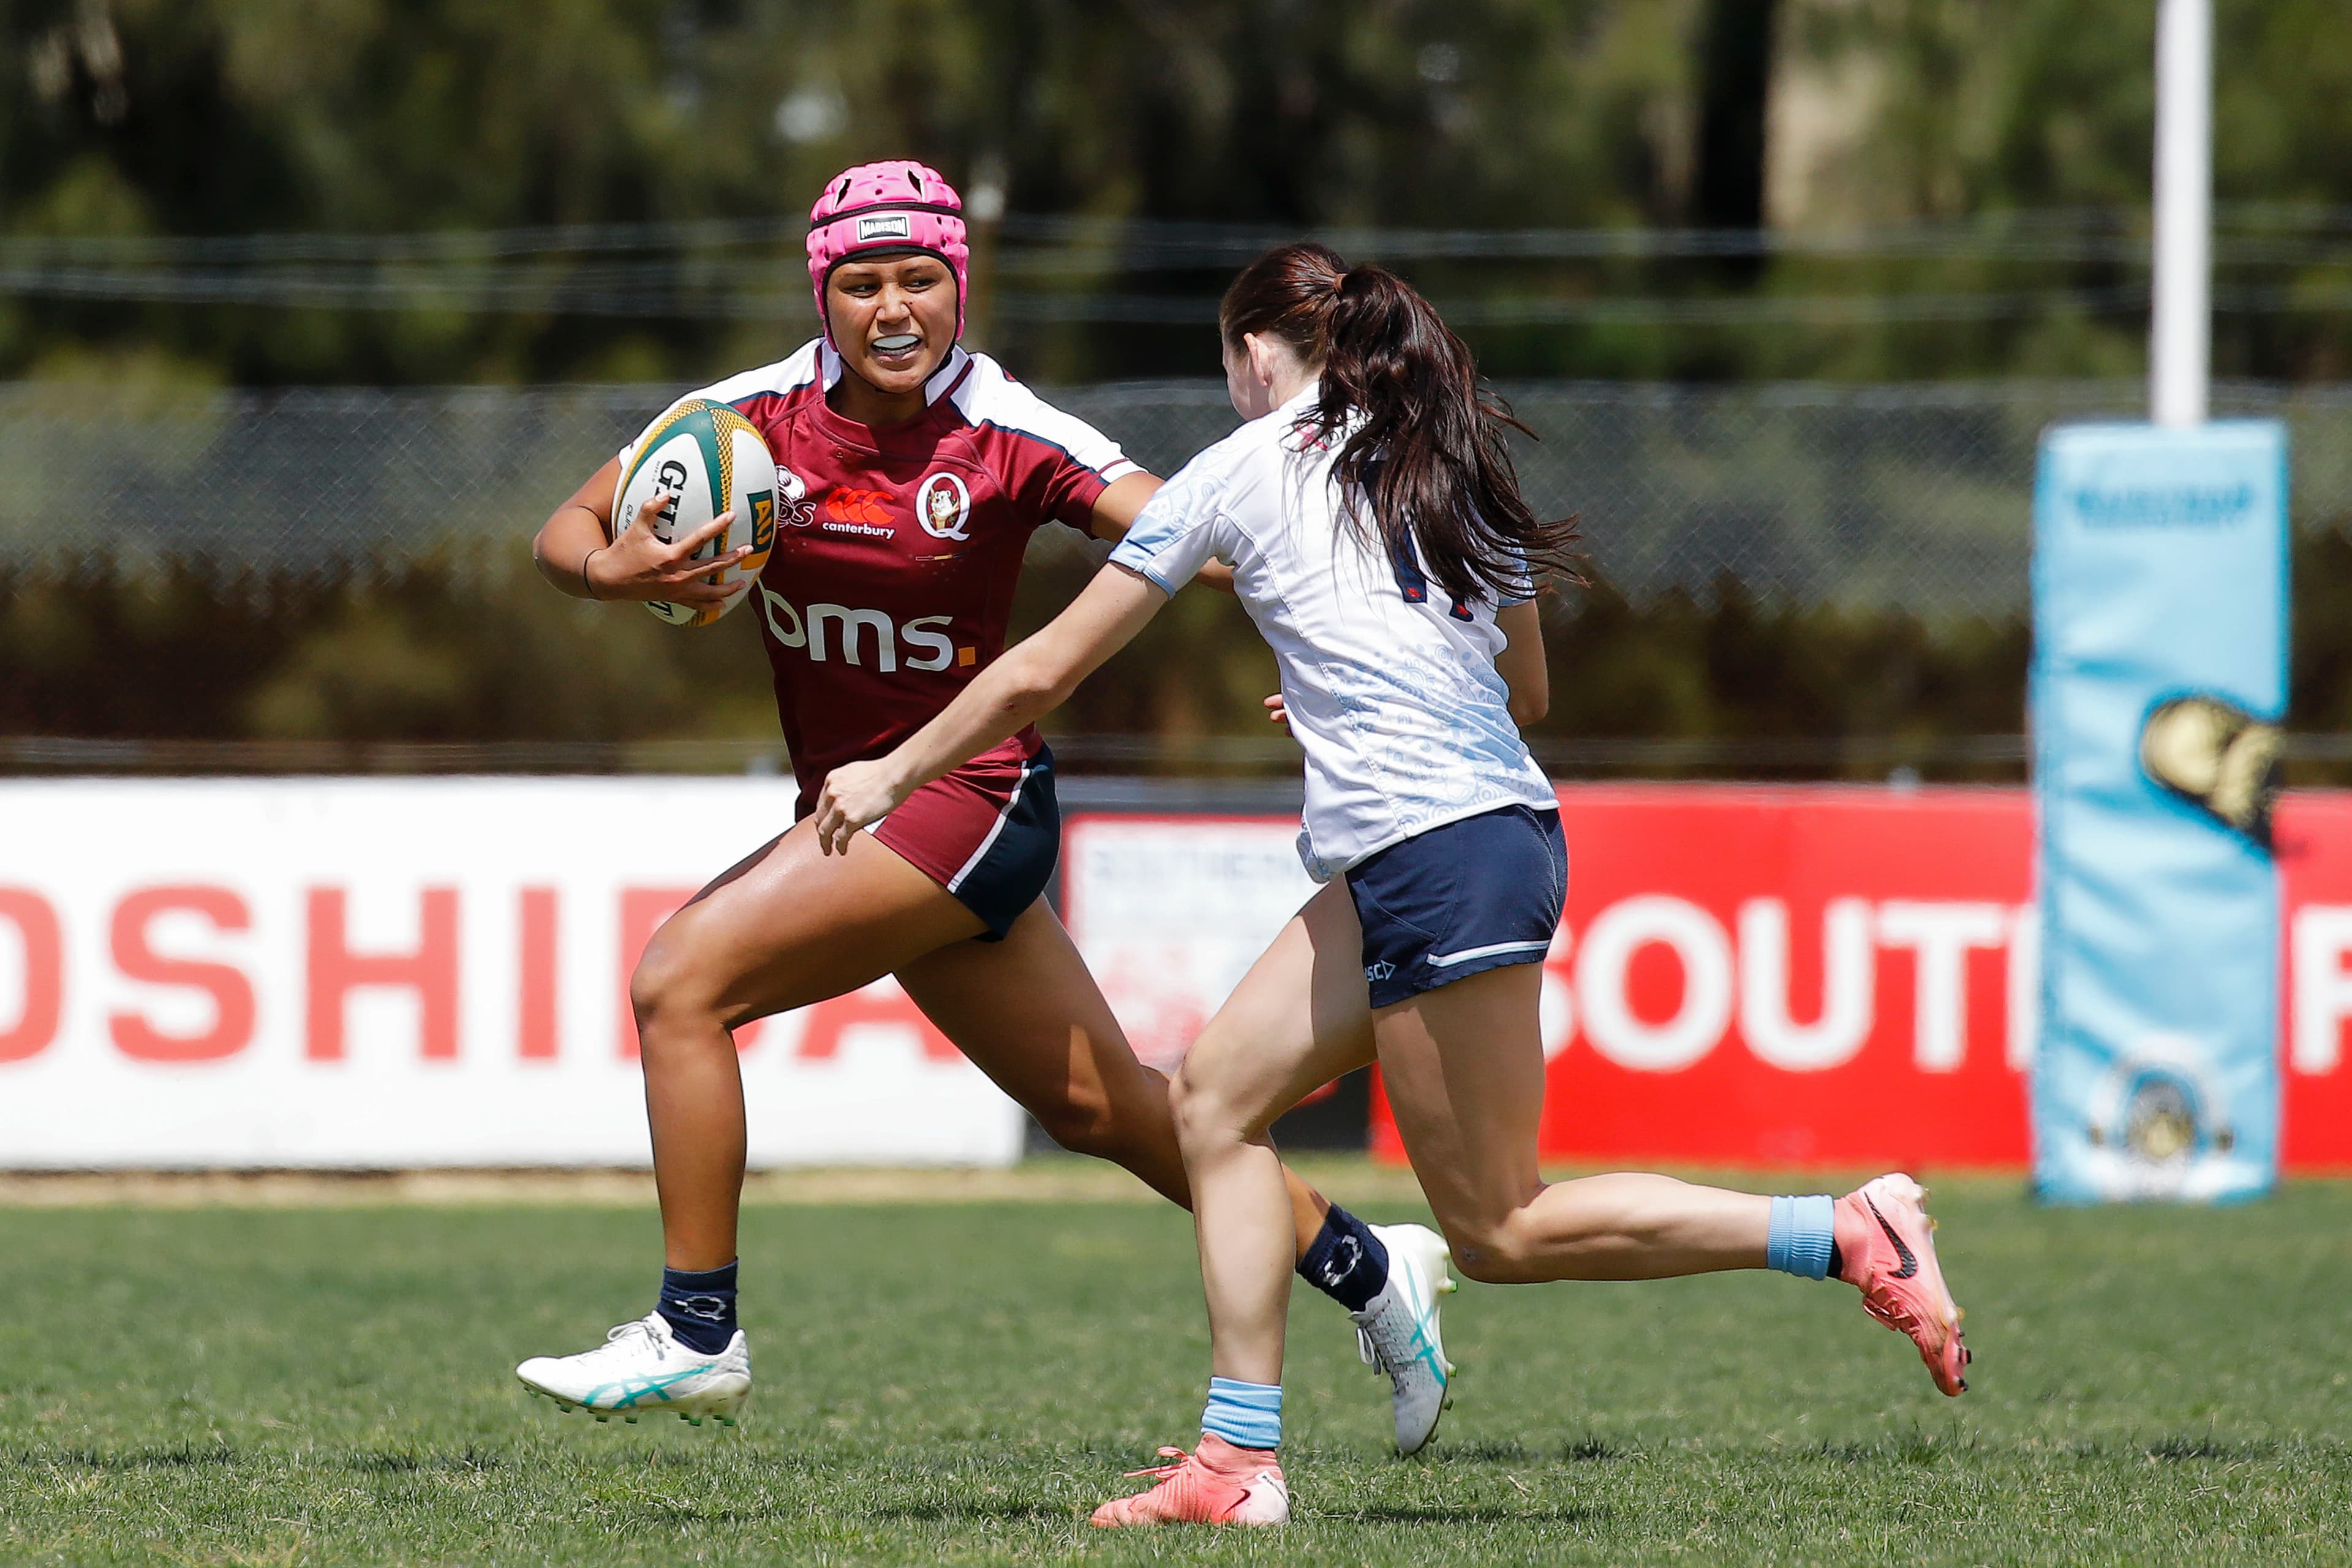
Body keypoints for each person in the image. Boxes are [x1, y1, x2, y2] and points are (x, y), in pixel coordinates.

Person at [812, 241, 1972, 1526]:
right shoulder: (1449, 457)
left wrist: (896, 769)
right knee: (1213, 1103)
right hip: (1465, 836)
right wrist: (1343, 683)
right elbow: (1526, 691)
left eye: (1229, 363)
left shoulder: (1240, 466)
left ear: (1257, 352)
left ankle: (1842, 1230)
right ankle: (1234, 1464)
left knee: (1501, 1229)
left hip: (1438, 852)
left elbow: (1044, 668)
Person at [512, 167, 1458, 1449]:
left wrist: (1356, 620)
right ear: (823, 296)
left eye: (920, 279)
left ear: (961, 285)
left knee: (680, 983)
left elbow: (1198, 536)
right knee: (1108, 1112)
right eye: (862, 283)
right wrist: (610, 569)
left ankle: (696, 1330)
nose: (893, 308)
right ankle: (1374, 1269)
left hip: (967, 795)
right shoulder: (748, 420)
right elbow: (564, 530)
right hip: (864, 812)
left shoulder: (1009, 428)